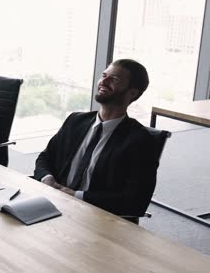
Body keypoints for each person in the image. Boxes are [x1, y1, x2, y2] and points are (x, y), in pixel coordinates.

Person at [33, 59, 159, 217]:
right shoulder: (76, 121)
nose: (103, 82)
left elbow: (135, 200)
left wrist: (76, 196)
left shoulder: (140, 141)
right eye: (104, 75)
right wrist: (47, 178)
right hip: (53, 203)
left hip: (95, 216)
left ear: (132, 93)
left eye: (114, 79)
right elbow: (45, 157)